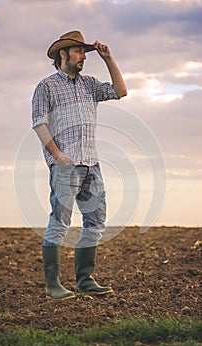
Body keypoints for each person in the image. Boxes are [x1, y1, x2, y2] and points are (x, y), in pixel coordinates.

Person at [32, 30, 127, 300]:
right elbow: (39, 124)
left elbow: (120, 91)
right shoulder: (47, 86)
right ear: (64, 54)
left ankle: (85, 280)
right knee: (60, 223)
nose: (84, 56)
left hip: (91, 165)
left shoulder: (90, 84)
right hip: (65, 166)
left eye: (85, 52)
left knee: (95, 222)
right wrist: (58, 156)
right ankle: (53, 286)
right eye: (79, 51)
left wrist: (109, 59)